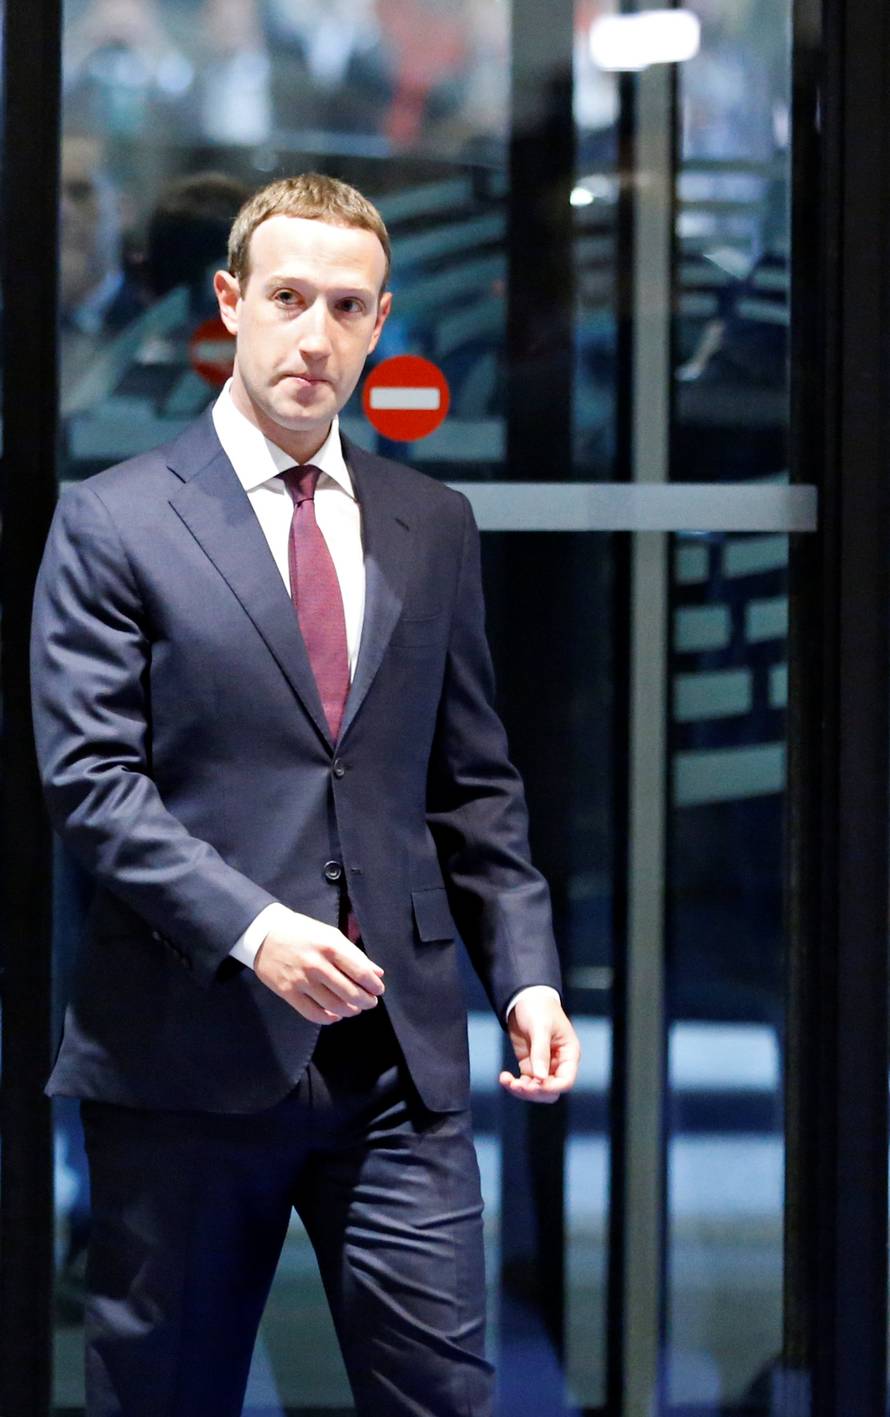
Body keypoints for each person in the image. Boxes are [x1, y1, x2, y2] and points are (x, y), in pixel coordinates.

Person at [31, 172, 580, 1417]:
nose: (314, 335)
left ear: (380, 321)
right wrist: (258, 929)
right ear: (230, 304)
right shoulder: (114, 521)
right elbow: (92, 784)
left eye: (346, 306)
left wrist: (530, 975)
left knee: (442, 1398)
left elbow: (474, 785)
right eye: (286, 298)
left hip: (398, 1062)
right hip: (183, 1055)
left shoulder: (428, 522)